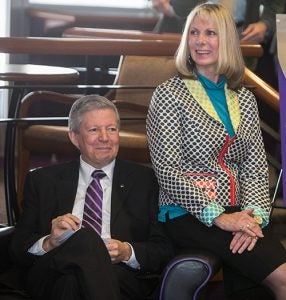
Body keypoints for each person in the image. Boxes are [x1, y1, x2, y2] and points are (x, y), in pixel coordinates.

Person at [146, 3, 286, 300]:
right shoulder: (169, 94)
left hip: (241, 212)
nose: (200, 41)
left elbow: (256, 168)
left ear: (226, 40)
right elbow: (167, 171)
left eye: (210, 33)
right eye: (194, 33)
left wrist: (255, 218)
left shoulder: (244, 97)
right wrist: (220, 217)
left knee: (256, 288)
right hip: (187, 213)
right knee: (283, 279)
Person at [9, 95, 174, 300]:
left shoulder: (147, 181)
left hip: (119, 275)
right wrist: (50, 242)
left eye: (111, 129)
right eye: (94, 130)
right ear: (74, 137)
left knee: (70, 281)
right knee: (86, 239)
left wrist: (126, 251)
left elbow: (164, 247)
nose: (104, 137)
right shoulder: (42, 181)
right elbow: (17, 246)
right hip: (49, 272)